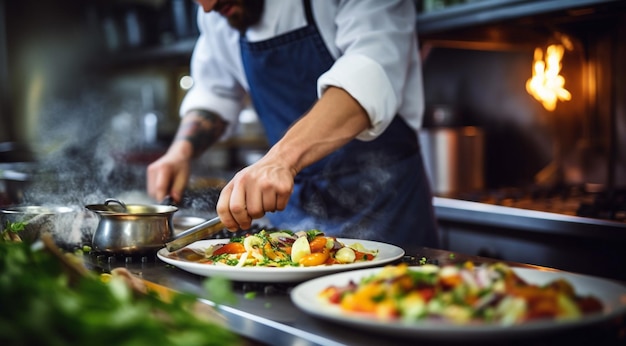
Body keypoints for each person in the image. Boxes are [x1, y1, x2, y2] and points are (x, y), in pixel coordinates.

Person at [147, 0, 439, 254]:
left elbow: (370, 73)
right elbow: (215, 93)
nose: (208, 7)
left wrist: (281, 160)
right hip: (294, 210)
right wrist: (180, 152)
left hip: (386, 205)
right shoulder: (219, 11)